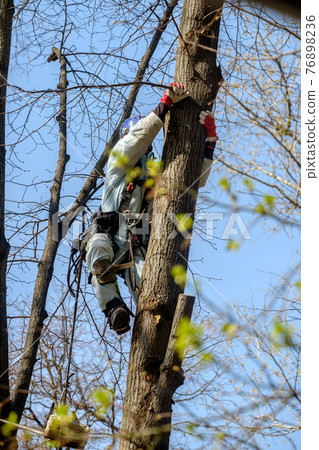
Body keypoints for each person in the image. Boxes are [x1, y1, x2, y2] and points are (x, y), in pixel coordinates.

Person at [85, 83, 218, 335]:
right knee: (98, 248)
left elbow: (192, 181)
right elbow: (139, 137)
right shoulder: (118, 161)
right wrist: (164, 104)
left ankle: (160, 334)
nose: (144, 144)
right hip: (111, 236)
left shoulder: (157, 173)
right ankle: (114, 308)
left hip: (139, 246)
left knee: (152, 289)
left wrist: (209, 142)